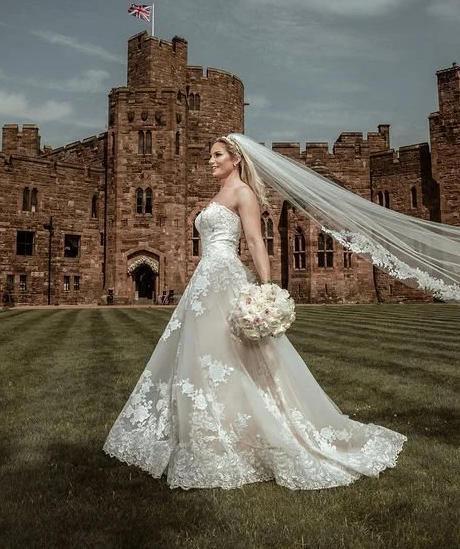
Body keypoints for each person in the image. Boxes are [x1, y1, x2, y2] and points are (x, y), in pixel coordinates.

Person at [103, 136, 406, 490]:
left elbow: (255, 240)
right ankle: (207, 435)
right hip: (204, 282)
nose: (210, 161)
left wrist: (267, 287)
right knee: (203, 356)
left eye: (217, 156)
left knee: (230, 355)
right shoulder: (217, 195)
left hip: (224, 278)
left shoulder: (243, 193)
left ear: (235, 158)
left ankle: (244, 437)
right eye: (210, 155)